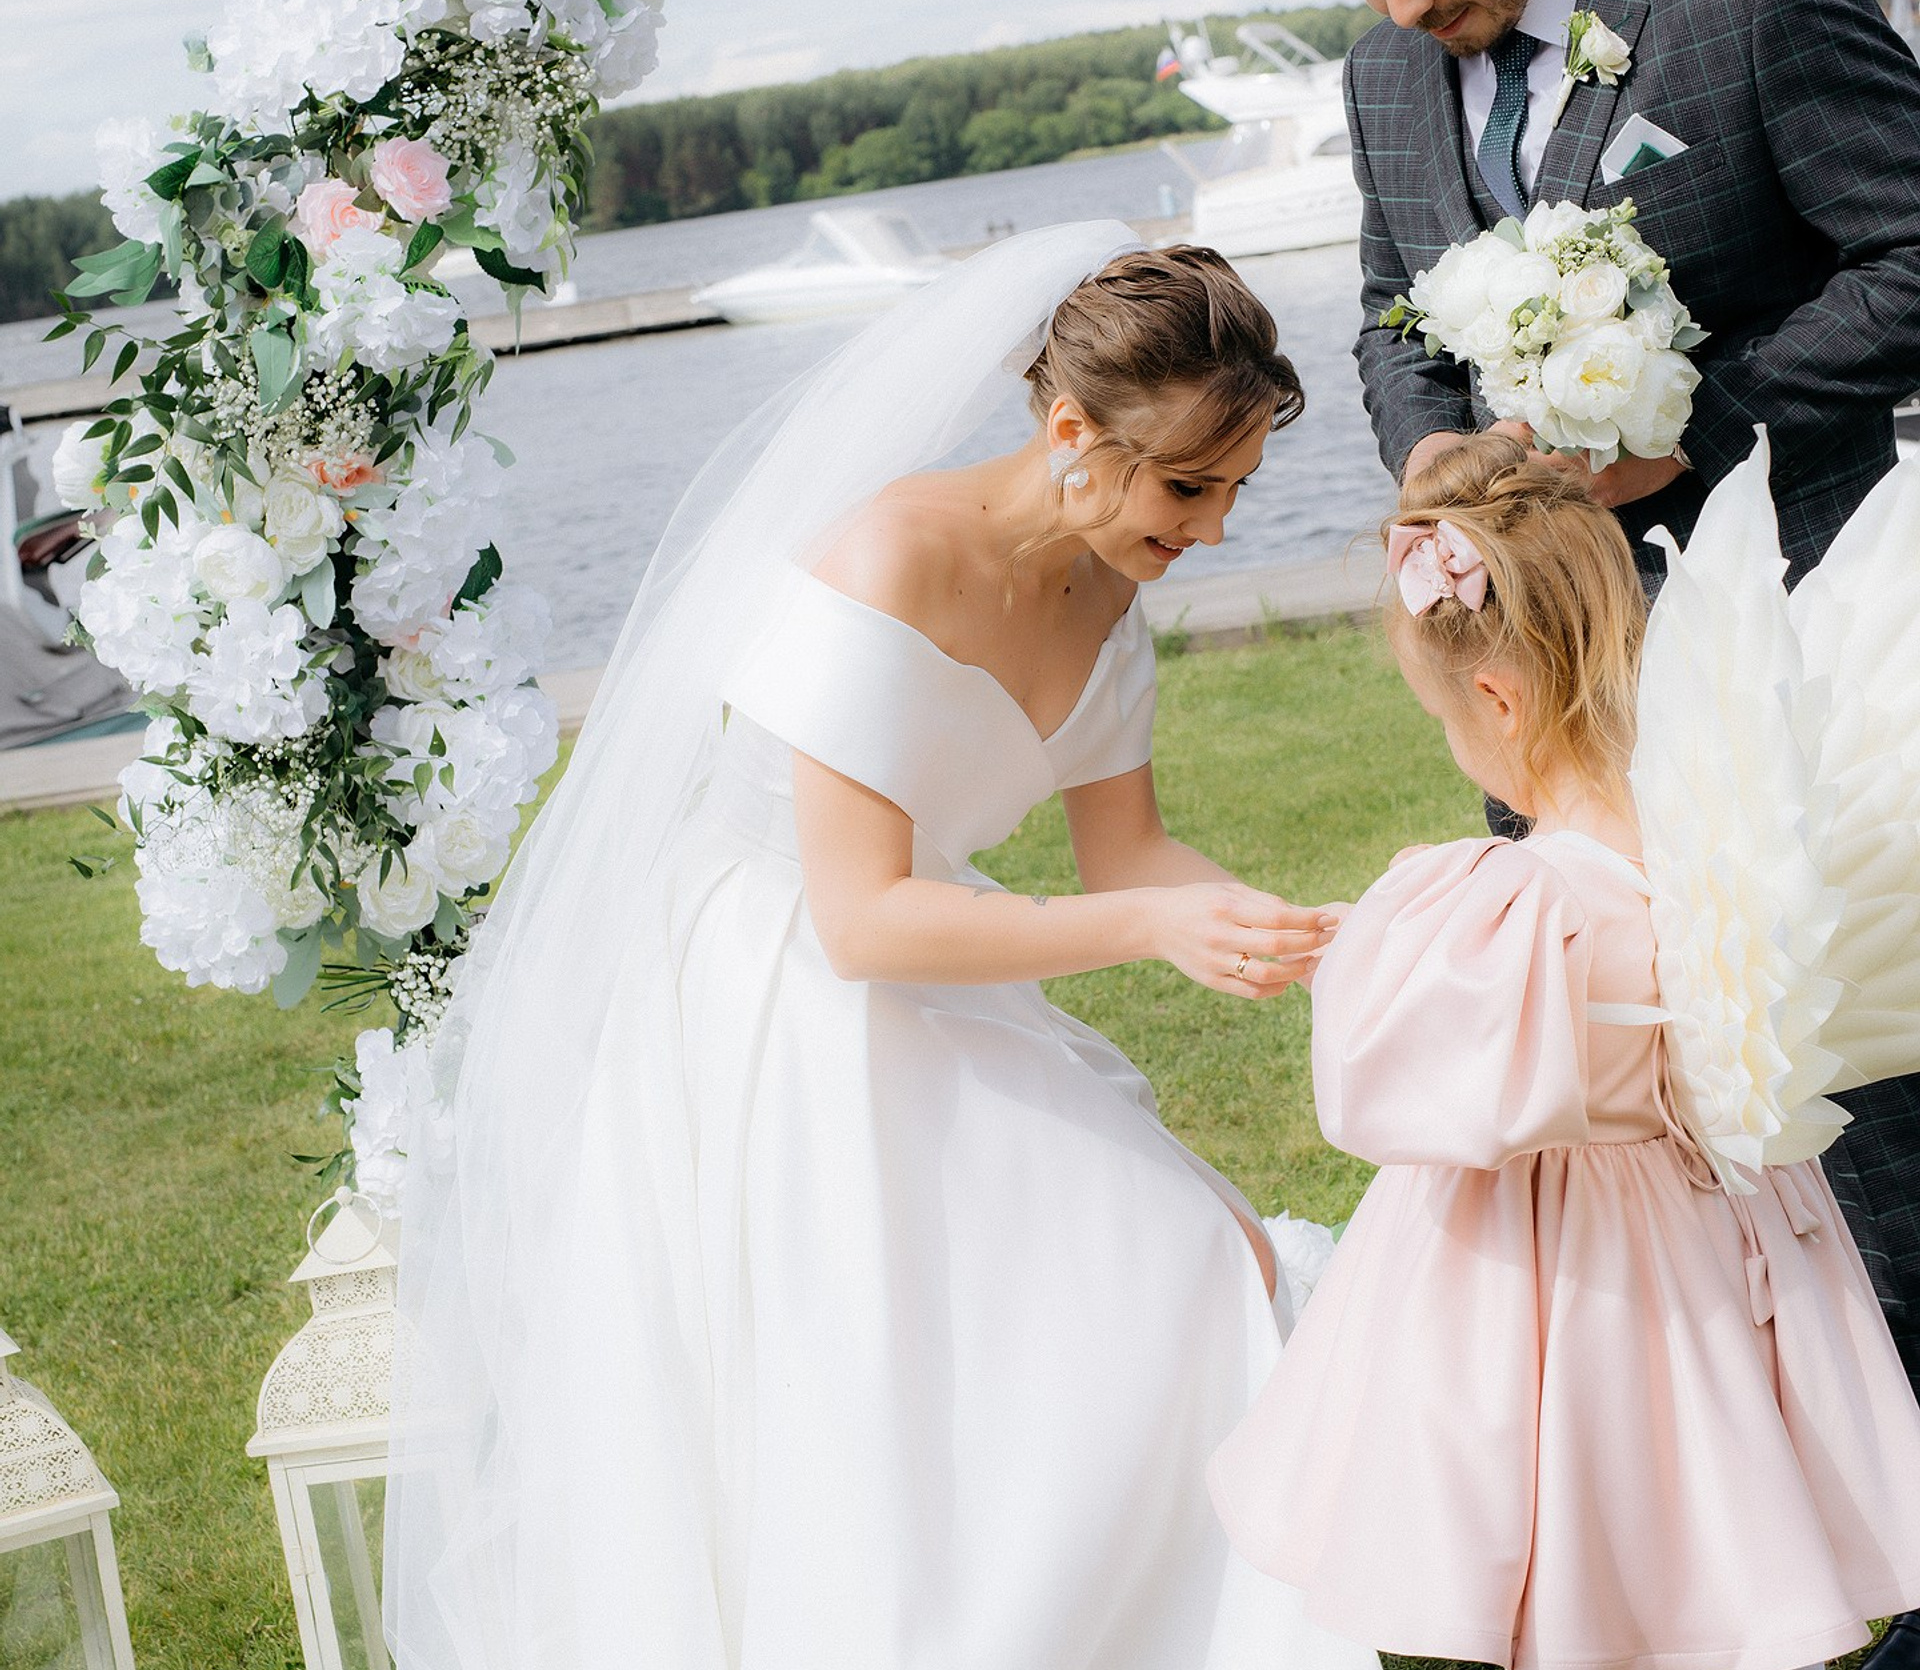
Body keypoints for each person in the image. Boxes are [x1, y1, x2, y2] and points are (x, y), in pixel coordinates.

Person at [383, 222, 1380, 1670]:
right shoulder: (887, 557)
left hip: (940, 945)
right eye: (1188, 486)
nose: (1215, 531)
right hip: (775, 985)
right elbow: (857, 921)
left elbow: (1131, 857)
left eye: (1236, 491)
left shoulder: (1113, 586)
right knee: (877, 1360)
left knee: (1174, 1256)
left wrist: (1319, 939)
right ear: (1068, 430)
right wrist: (1149, 929)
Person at [1281, 0, 1920, 1558]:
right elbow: (1393, 312)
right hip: (1557, 709)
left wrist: (1693, 422)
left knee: (1863, 1106)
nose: (1401, 6)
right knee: (1651, 1128)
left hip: (1791, 648)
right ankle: (1761, 1532)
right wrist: (1432, 456)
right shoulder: (1383, 74)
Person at [1208, 433, 1920, 1670]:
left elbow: (1381, 1080)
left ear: (1496, 699)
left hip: (1560, 1287)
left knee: (1575, 1526)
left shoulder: (1513, 905)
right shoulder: (1722, 859)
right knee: (1711, 1513)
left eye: (1444, 718)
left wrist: (1379, 944)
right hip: (1719, 1250)